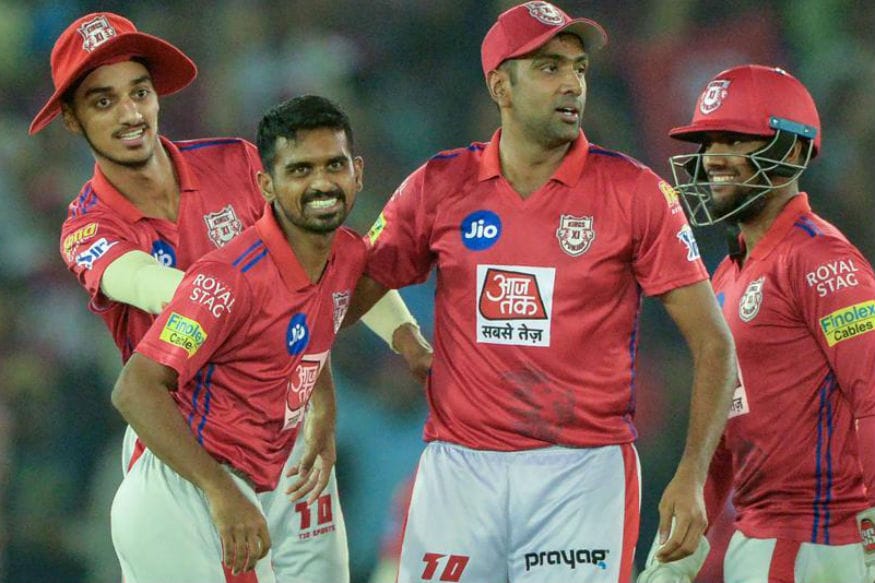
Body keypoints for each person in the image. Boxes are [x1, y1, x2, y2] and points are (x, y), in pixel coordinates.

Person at [346, 2, 737, 582]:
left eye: (579, 68)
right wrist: (399, 340)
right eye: (549, 67)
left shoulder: (635, 194)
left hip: (581, 475)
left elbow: (714, 344)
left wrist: (692, 475)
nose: (572, 84)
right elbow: (347, 294)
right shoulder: (438, 185)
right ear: (500, 86)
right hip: (460, 471)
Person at [32, 12, 427, 582]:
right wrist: (247, 295)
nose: (129, 114)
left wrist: (397, 338)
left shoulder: (236, 163)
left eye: (139, 92)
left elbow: (332, 262)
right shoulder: (87, 228)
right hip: (189, 445)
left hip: (286, 430)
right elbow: (147, 284)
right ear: (72, 118)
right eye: (103, 101)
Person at [109, 93, 372, 581]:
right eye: (300, 170)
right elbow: (134, 388)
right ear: (266, 185)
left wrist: (325, 410)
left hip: (241, 491)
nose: (321, 183)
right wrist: (219, 490)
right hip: (186, 498)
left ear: (357, 172)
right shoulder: (229, 278)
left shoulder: (347, 257)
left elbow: (308, 329)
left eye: (334, 165)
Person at [643, 64, 875, 583]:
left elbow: (873, 393)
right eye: (707, 142)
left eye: (733, 139)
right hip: (765, 539)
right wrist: (671, 561)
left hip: (815, 542)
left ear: (791, 152)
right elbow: (722, 442)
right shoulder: (727, 275)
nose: (712, 158)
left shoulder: (820, 260)